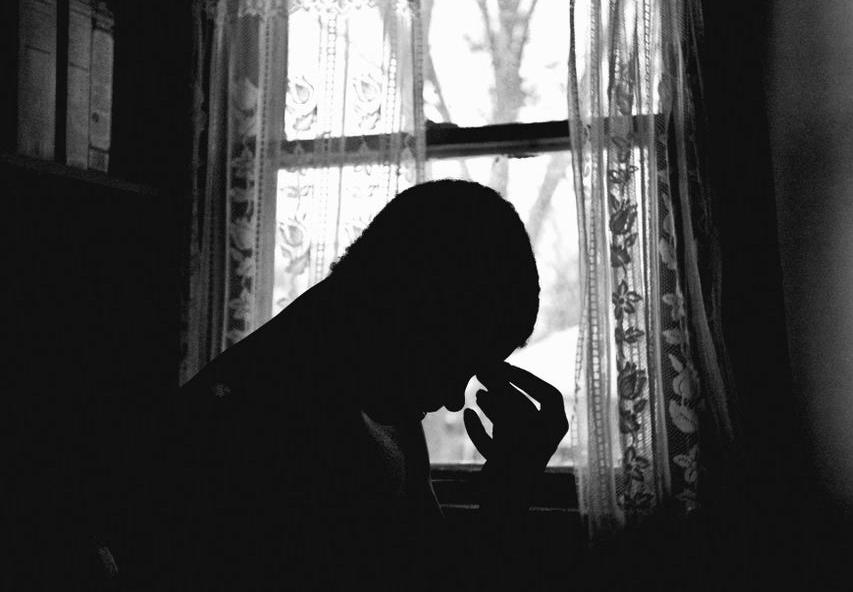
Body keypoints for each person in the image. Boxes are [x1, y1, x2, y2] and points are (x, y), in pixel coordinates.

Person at [96, 179, 569, 590]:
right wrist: (505, 504)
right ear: (410, 311)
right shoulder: (261, 430)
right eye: (456, 361)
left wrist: (507, 494)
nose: (450, 398)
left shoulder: (373, 399)